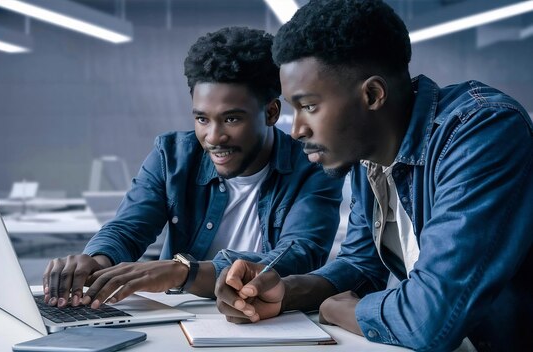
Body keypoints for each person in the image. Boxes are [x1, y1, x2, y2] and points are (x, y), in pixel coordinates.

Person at [214, 1, 533, 351]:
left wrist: (341, 310)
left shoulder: (483, 132)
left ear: (372, 94)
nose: (297, 130)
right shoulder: (370, 155)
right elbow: (360, 264)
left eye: (308, 106)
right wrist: (285, 293)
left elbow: (429, 319)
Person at [43, 27, 344, 310]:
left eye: (231, 119)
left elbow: (300, 254)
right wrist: (98, 261)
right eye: (202, 119)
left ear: (271, 112)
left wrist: (183, 272)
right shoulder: (172, 156)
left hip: (269, 319)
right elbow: (128, 228)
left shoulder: (312, 165)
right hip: (182, 319)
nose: (213, 137)